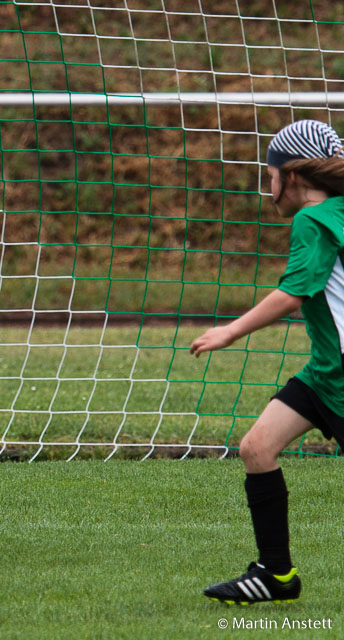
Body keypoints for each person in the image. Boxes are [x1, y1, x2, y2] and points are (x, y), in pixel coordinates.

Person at [191, 119, 344, 603]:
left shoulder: (313, 220)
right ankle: (275, 575)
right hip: (324, 373)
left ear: (292, 176)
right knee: (257, 448)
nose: (269, 186)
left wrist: (231, 330)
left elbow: (296, 292)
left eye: (270, 173)